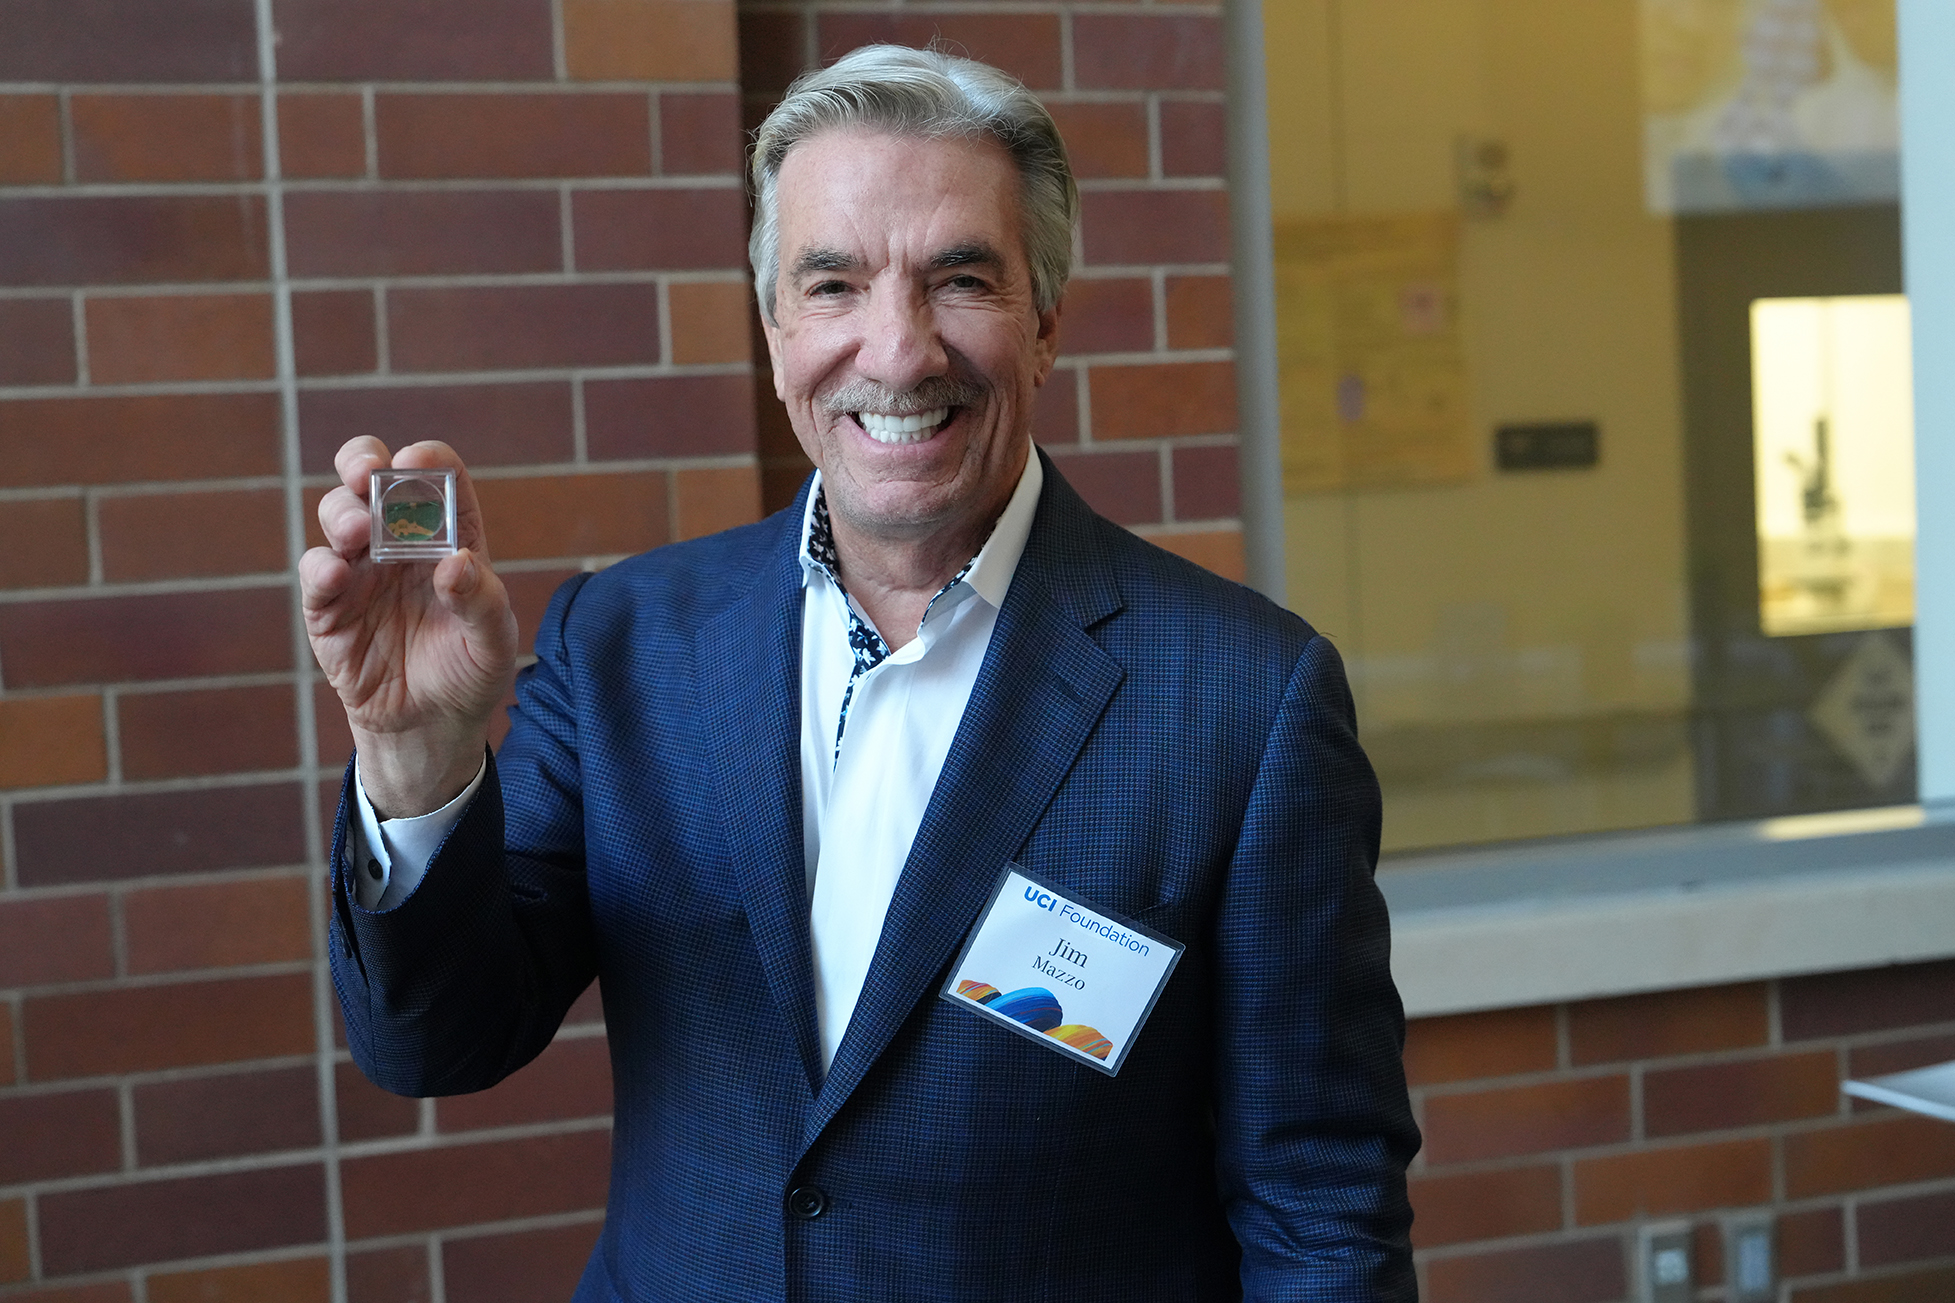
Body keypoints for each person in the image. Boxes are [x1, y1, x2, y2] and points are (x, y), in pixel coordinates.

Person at [307, 45, 1418, 1302]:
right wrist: (414, 758)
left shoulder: (1242, 700)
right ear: (775, 330)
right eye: (833, 283)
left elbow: (1320, 1207)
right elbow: (437, 1041)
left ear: (1044, 322)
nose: (896, 353)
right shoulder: (625, 641)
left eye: (959, 279)